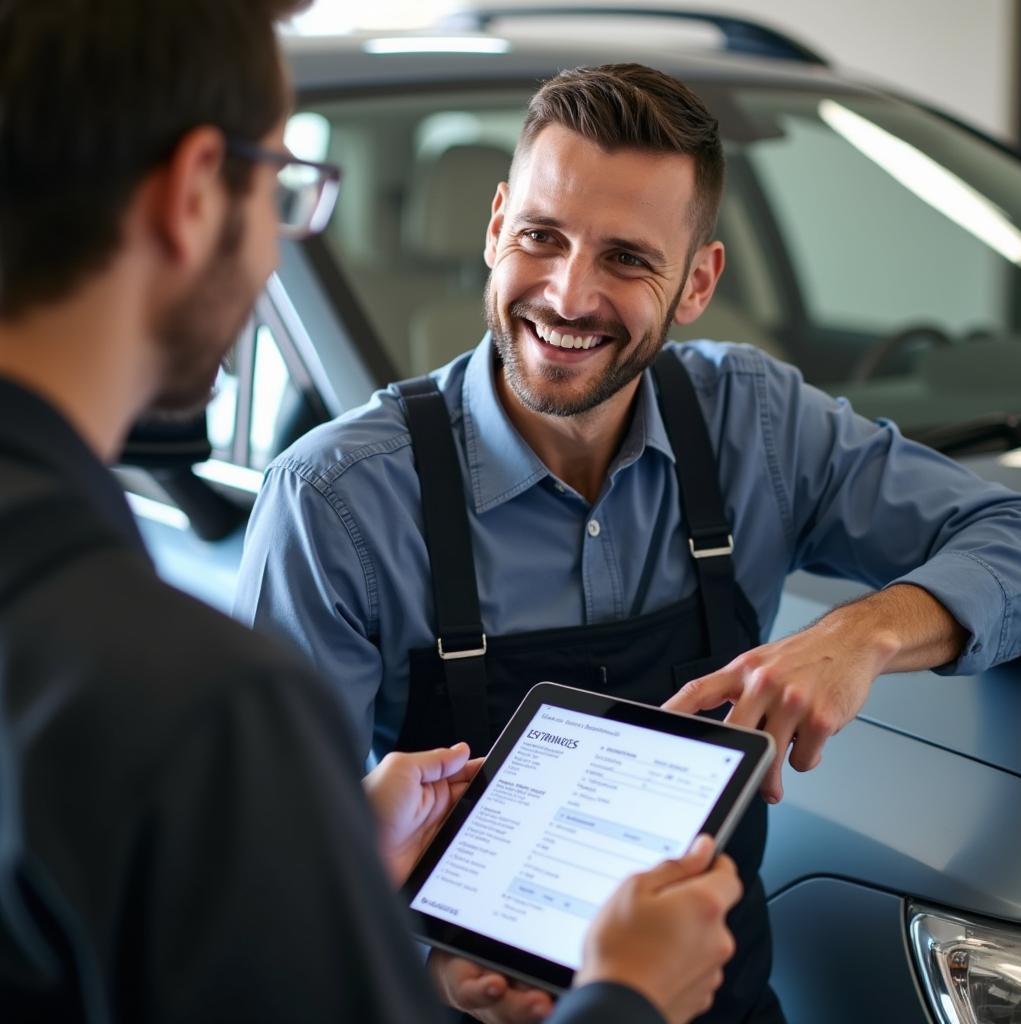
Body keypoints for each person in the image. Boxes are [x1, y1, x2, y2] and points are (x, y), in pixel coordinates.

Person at [235, 61, 1021, 1024]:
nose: (568, 296)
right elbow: (269, 877)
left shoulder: (756, 424)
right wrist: (424, 966)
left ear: (697, 282)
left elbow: (1009, 529)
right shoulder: (337, 502)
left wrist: (862, 636)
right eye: (541, 236)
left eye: (626, 259)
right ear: (495, 229)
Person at [0, 6, 744, 1023]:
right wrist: (623, 997)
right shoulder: (200, 705)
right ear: (194, 193)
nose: (277, 238)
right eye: (281, 185)